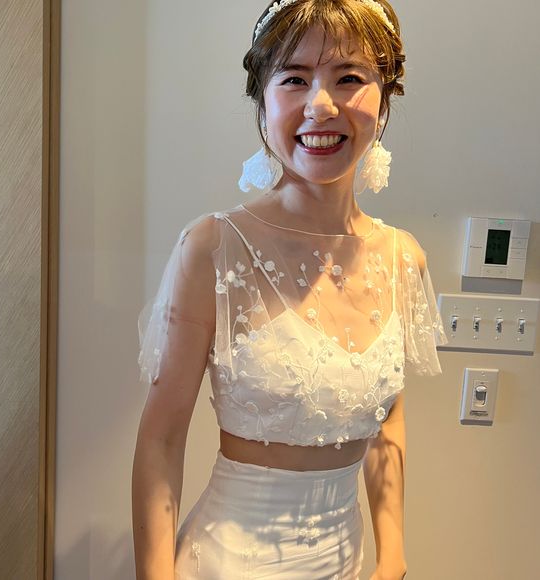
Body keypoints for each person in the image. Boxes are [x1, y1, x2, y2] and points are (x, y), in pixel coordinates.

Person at [132, 1, 448, 578]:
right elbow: (162, 438)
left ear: (384, 97)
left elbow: (386, 420)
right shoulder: (214, 248)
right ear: (263, 101)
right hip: (229, 563)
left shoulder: (404, 258)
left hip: (348, 561)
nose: (321, 105)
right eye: (295, 79)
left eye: (349, 77)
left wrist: (393, 555)